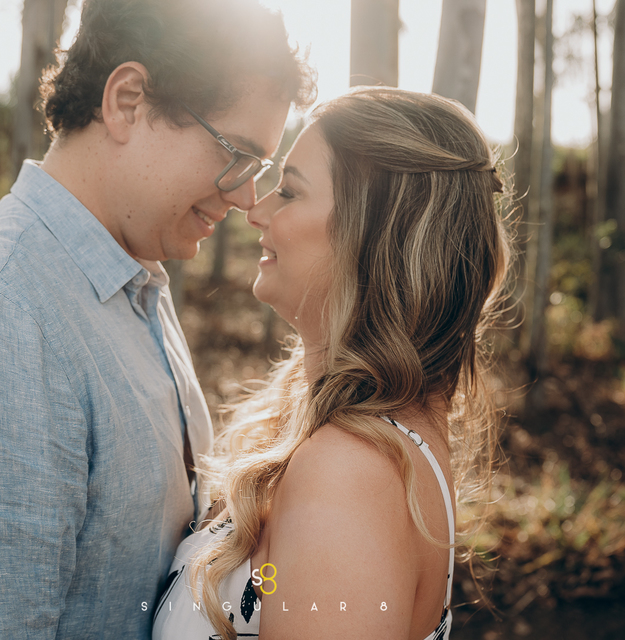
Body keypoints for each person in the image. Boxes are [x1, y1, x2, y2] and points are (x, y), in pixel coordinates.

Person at [0, 0, 314, 639]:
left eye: (260, 167)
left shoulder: (134, 281)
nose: (247, 195)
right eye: (235, 153)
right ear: (127, 101)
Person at [152, 87, 509, 640]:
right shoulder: (375, 438)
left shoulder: (349, 471)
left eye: (289, 192)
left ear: (372, 235)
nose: (256, 208)